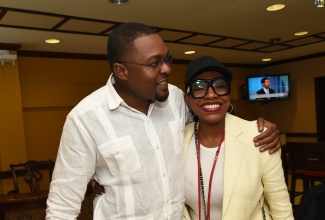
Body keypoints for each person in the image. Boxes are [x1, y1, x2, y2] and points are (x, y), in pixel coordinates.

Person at [46, 23, 281, 219]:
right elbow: (61, 208)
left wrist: (256, 127)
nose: (167, 69)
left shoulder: (177, 99)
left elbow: (213, 117)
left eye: (167, 58)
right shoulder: (85, 120)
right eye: (154, 63)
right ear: (122, 71)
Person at [183, 56, 293, 219]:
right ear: (188, 99)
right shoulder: (178, 140)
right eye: (199, 87)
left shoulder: (259, 136)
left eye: (220, 86)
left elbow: (280, 205)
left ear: (228, 96)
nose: (211, 94)